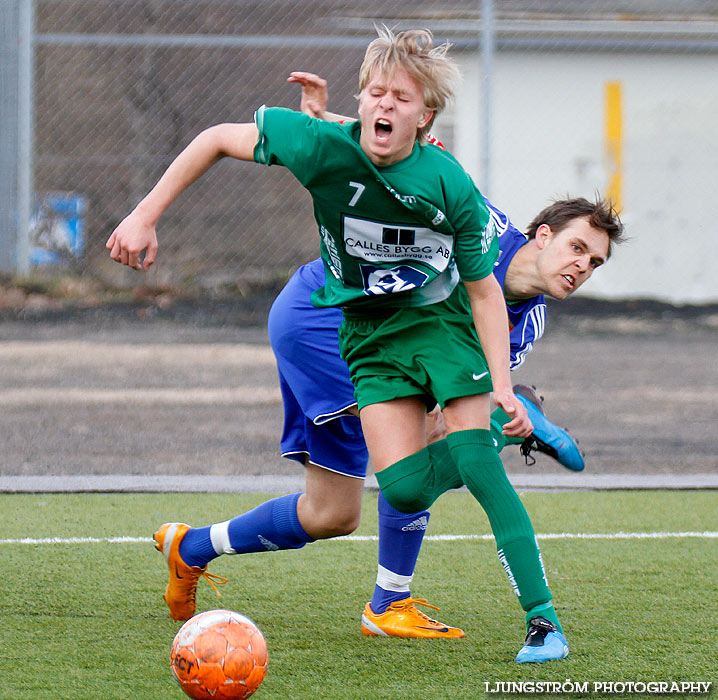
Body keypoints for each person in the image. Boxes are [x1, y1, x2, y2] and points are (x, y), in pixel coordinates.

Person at [107, 27, 622, 663]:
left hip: (405, 334)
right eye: (576, 247)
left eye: (595, 262)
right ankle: (393, 601)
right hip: (326, 318)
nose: (581, 265)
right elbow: (392, 132)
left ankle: (194, 547)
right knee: (436, 448)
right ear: (541, 236)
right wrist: (146, 211)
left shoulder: (525, 320)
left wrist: (496, 400)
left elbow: (406, 136)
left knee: (332, 512)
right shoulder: (479, 218)